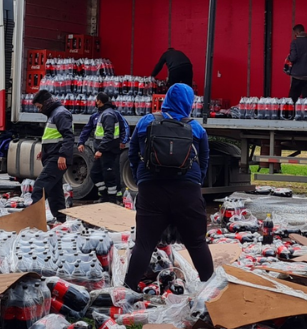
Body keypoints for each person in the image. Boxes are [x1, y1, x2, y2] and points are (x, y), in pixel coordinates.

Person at [124, 83, 214, 291]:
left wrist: (142, 177)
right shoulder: (196, 128)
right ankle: (210, 289)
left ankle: (127, 290)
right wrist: (195, 181)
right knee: (197, 242)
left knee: (144, 243)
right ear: (188, 102)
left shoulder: (147, 121)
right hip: (187, 192)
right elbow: (205, 158)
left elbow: (132, 152)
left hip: (151, 189)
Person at [77, 92, 129, 203]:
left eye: (96, 100)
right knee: (96, 173)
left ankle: (113, 199)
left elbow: (118, 130)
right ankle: (105, 196)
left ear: (99, 101)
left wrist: (123, 141)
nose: (95, 102)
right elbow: (87, 129)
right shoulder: (96, 116)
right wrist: (81, 142)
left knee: (111, 175)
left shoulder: (110, 114)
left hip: (109, 151)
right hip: (101, 150)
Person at [31, 89, 73, 223]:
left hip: (57, 158)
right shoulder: (54, 114)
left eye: (39, 107)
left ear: (45, 103)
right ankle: (61, 221)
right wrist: (44, 150)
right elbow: (54, 137)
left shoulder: (60, 114)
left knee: (39, 187)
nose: (39, 110)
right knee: (55, 191)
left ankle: (34, 220)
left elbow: (68, 136)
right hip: (52, 155)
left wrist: (63, 155)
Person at [286, 24, 307, 101]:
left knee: (293, 99)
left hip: (297, 75)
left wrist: (288, 58)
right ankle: (305, 112)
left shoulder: (295, 43)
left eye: (295, 33)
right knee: (306, 99)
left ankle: (293, 112)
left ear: (297, 32)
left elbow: (293, 57)